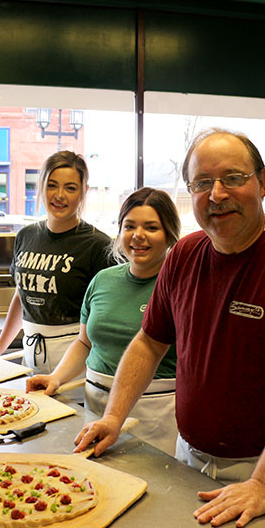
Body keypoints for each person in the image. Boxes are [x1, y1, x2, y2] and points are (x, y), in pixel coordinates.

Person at [74, 128, 265, 528]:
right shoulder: (184, 254)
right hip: (189, 455)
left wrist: (263, 484)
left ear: (262, 182)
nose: (217, 194)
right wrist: (113, 417)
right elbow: (149, 343)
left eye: (233, 178)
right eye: (202, 183)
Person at [26, 187, 181, 455]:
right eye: (129, 226)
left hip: (155, 411)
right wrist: (56, 377)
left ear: (169, 235)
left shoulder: (180, 285)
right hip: (95, 403)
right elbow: (84, 343)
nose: (138, 235)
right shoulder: (103, 280)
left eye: (151, 227)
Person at [0, 150, 114, 375]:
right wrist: (0, 346)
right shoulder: (26, 236)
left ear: (83, 192)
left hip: (77, 363)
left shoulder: (97, 244)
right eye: (52, 185)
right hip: (32, 355)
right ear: (41, 187)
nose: (59, 195)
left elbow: (106, 315)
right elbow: (21, 296)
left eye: (70, 188)